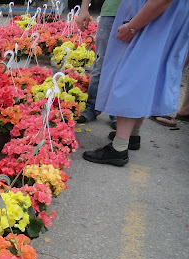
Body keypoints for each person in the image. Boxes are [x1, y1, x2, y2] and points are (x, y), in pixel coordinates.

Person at [83, 0, 189, 167]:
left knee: (132, 74)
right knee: (148, 74)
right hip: (166, 15)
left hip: (152, 16)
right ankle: (132, 135)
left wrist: (133, 26)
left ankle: (119, 148)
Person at [76, 0, 122, 127]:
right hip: (111, 12)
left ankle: (117, 111)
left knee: (124, 66)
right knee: (100, 62)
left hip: (137, 13)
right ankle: (92, 107)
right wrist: (84, 8)